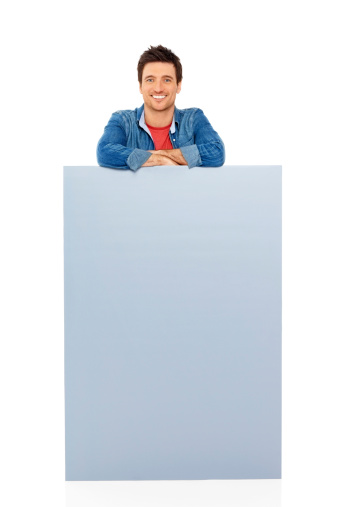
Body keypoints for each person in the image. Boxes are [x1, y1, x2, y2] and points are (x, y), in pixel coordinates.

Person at [97, 45, 225, 171]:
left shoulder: (193, 118)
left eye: (167, 80)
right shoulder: (122, 120)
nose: (158, 88)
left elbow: (216, 152)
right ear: (140, 86)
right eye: (150, 80)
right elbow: (104, 151)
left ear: (178, 85)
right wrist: (160, 160)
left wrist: (154, 155)